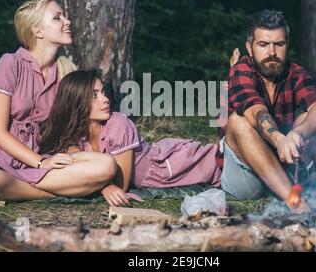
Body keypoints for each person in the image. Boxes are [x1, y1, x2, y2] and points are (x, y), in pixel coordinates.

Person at [0, 0, 116, 200]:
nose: (67, 21)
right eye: (57, 18)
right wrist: (40, 163)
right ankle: (51, 192)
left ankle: (9, 188)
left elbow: (66, 133)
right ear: (37, 30)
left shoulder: (65, 73)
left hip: (38, 152)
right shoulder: (10, 64)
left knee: (106, 165)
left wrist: (104, 182)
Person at [218, 9, 316, 213]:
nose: (272, 53)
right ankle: (299, 206)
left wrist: (299, 133)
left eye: (279, 44)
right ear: (250, 48)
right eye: (263, 45)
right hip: (246, 178)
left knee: (310, 120)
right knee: (237, 121)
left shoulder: (297, 73)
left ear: (287, 45)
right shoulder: (241, 70)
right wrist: (279, 139)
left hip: (284, 168)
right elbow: (254, 110)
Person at [38, 70, 222, 206]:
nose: (105, 99)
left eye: (103, 92)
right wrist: (104, 186)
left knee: (224, 162)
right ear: (75, 101)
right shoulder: (75, 136)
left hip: (176, 166)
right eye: (94, 95)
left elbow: (121, 184)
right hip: (162, 173)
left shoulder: (118, 123)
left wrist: (105, 187)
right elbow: (72, 160)